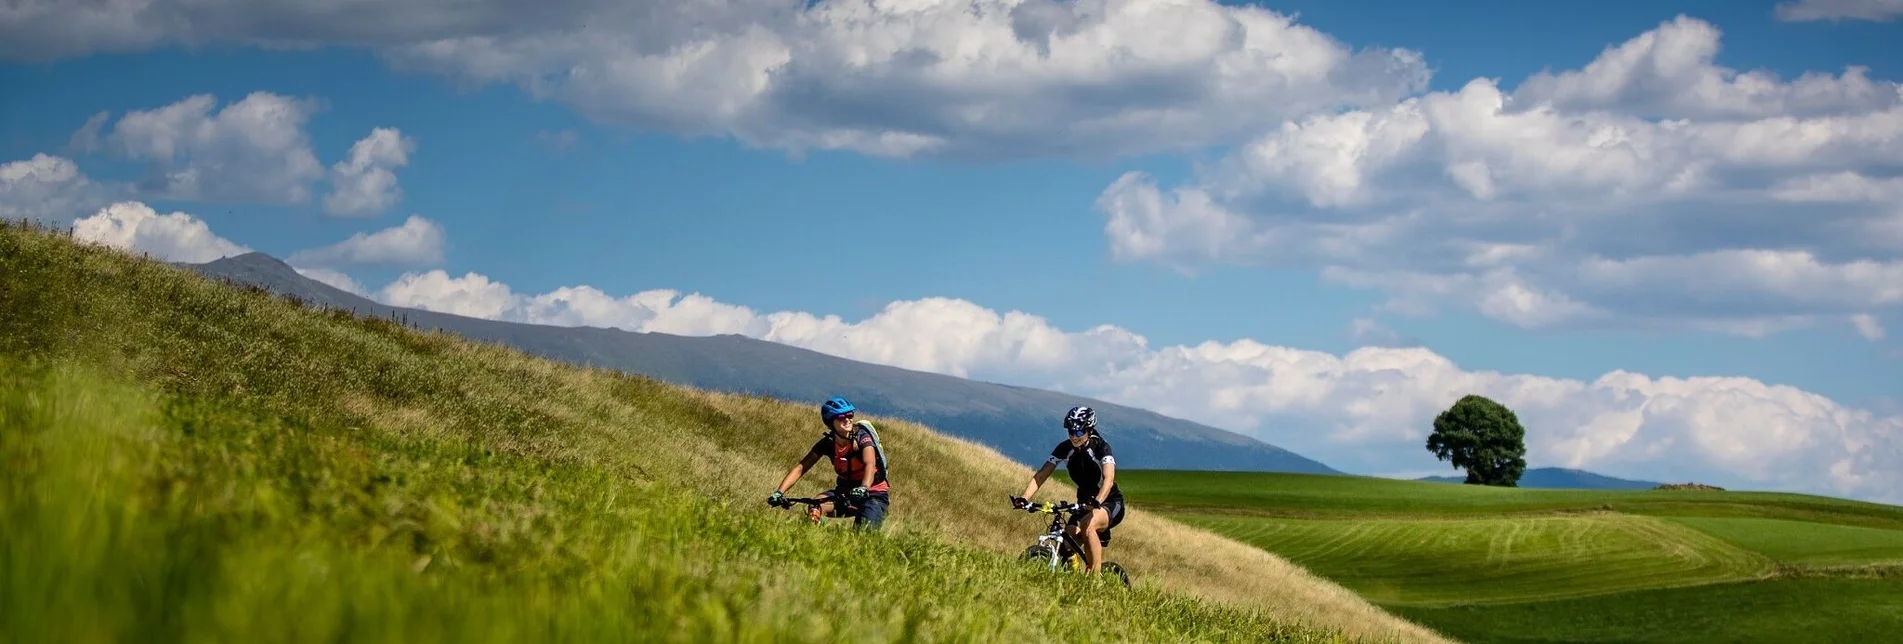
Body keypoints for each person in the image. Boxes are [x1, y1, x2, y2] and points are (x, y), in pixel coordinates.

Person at [1012, 405, 1125, 574]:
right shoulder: (1065, 448)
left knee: (1088, 525)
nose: (1074, 436)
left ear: (1089, 429)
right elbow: (1042, 474)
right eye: (1071, 431)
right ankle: (1071, 575)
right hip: (1084, 503)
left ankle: (1095, 579)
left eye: (1079, 432)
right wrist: (1025, 498)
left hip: (1108, 502)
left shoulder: (1100, 447)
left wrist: (1097, 502)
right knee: (1066, 542)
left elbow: (1108, 480)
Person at [767, 396, 891, 531]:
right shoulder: (828, 443)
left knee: (864, 534)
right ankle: (811, 538)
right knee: (815, 507)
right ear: (831, 422)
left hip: (874, 494)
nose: (847, 419)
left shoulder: (863, 438)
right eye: (842, 416)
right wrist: (779, 492)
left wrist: (864, 487)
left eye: (850, 415)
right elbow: (801, 468)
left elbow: (870, 464)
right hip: (846, 493)